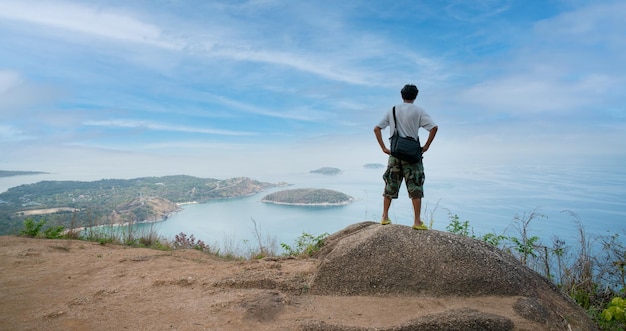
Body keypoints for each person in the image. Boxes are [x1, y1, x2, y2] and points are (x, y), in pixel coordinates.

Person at [373, 84, 438, 230]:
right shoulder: (419, 111)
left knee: (390, 184)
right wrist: (426, 146)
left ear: (402, 95)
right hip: (412, 156)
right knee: (415, 186)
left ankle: (384, 217)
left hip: (395, 154)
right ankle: (416, 221)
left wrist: (384, 148)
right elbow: (434, 127)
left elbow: (377, 129)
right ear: (415, 96)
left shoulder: (393, 110)